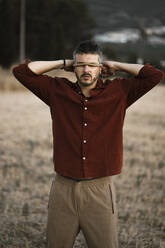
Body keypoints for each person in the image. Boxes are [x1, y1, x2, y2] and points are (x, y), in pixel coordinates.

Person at [13, 40, 164, 248]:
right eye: (81, 64)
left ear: (100, 68)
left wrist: (117, 65)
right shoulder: (57, 91)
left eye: (92, 65)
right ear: (73, 67)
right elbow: (21, 72)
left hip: (99, 191)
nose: (86, 70)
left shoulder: (119, 92)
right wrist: (62, 62)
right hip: (62, 190)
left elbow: (154, 76)